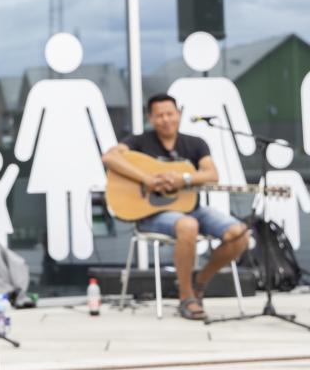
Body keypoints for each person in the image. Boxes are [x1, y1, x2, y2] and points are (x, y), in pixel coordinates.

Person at [102, 93, 249, 320]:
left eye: (170, 114)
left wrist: (185, 180)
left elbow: (211, 174)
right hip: (153, 214)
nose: (166, 119)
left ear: (178, 114)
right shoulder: (139, 142)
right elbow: (110, 158)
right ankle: (185, 296)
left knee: (239, 234)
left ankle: (200, 282)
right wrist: (147, 179)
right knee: (188, 225)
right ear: (151, 118)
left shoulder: (195, 143)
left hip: (193, 208)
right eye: (159, 115)